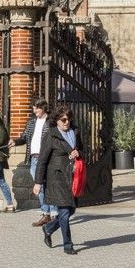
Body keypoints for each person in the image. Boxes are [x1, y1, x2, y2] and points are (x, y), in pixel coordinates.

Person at [33, 105, 82, 255]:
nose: (66, 122)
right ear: (57, 121)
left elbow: (82, 150)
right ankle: (68, 244)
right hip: (56, 177)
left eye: (69, 119)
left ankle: (48, 228)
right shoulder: (51, 135)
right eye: (63, 120)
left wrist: (77, 152)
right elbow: (42, 160)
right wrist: (38, 182)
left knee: (71, 209)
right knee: (65, 210)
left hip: (72, 177)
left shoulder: (75, 132)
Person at [11, 99, 55, 227]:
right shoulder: (31, 122)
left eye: (37, 108)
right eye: (33, 108)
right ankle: (46, 214)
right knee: (40, 187)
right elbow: (24, 137)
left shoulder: (51, 122)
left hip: (47, 158)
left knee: (47, 186)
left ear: (44, 108)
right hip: (34, 159)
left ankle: (52, 213)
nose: (34, 111)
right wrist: (15, 141)